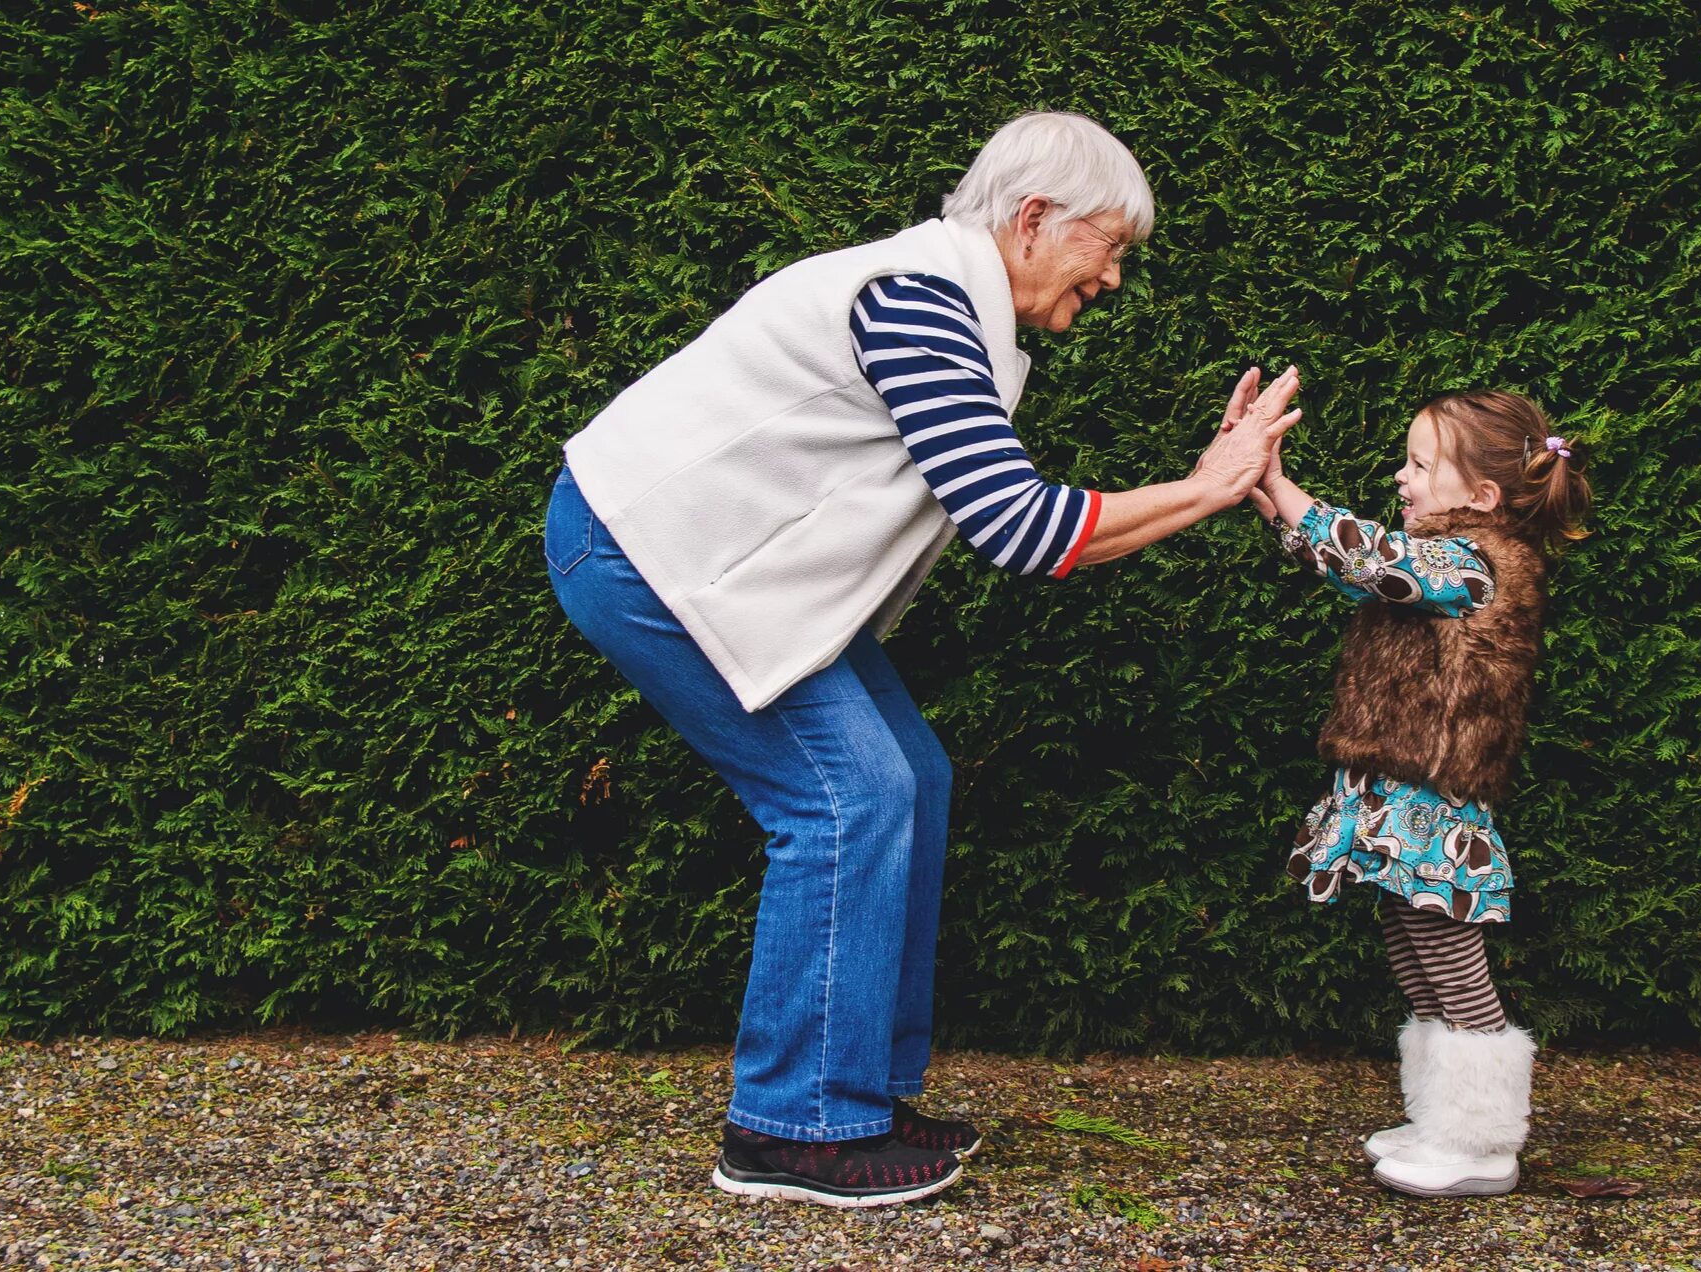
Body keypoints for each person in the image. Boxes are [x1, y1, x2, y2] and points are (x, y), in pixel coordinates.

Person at [545, 111, 1301, 1207]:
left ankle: (857, 1097)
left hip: (718, 565)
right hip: (645, 552)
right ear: (1033, 218)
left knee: (910, 779)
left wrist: (1202, 486)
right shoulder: (916, 302)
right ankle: (793, 1130)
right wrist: (1209, 486)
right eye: (1112, 245)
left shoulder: (952, 305)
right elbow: (1023, 530)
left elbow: (1008, 519)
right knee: (847, 797)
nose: (1119, 277)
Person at [1244, 388, 1592, 1197]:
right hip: (1398, 790)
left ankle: (1480, 1140)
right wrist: (1264, 486)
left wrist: (1282, 486)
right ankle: (1444, 1118)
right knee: (1413, 948)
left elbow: (1372, 561)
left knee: (1447, 956)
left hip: (1433, 800)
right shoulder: (1438, 556)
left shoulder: (1471, 563)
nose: (1400, 478)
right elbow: (1353, 565)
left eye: (1419, 464)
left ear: (1481, 497)